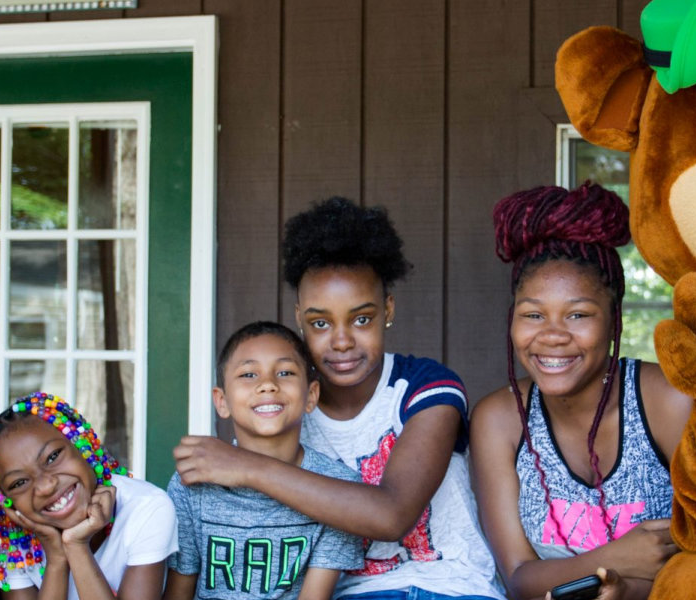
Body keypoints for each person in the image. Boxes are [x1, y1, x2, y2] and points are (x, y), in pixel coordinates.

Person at [173, 197, 504, 599]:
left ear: (388, 310)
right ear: (299, 319)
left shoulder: (424, 387)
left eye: (362, 319)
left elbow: (392, 515)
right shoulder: (286, 407)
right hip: (353, 592)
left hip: (451, 585)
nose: (342, 340)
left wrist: (247, 465)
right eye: (320, 323)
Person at [470, 185, 692, 600]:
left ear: (613, 317)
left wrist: (628, 592)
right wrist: (615, 560)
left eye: (578, 315)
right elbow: (519, 578)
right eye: (533, 315)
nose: (552, 336)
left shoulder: (667, 400)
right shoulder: (499, 420)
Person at [163, 321, 366, 600]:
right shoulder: (194, 481)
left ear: (311, 395)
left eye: (285, 372)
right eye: (248, 374)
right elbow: (178, 593)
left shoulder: (339, 489)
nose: (268, 384)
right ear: (221, 401)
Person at [0, 393, 176, 599]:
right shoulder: (10, 540)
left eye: (53, 457)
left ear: (82, 446)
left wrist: (76, 545)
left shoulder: (145, 507)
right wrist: (56, 559)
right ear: (5, 500)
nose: (46, 486)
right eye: (19, 483)